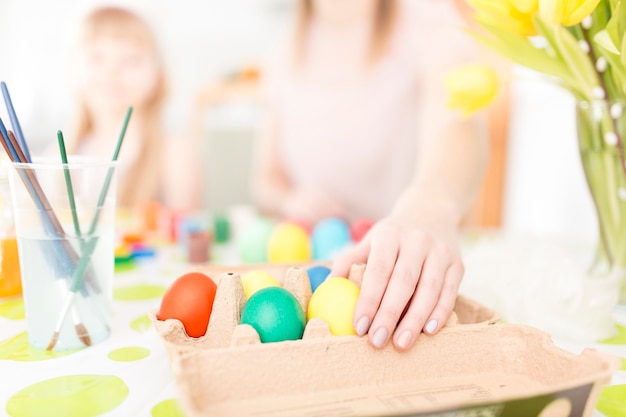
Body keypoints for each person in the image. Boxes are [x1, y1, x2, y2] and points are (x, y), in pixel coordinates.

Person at [252, 0, 488, 350]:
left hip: (398, 268)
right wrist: (291, 198)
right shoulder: (284, 48)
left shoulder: (424, 17)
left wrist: (430, 204)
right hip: (314, 263)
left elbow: (459, 118)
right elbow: (264, 179)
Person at [67, 6, 202, 211]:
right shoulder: (61, 156)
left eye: (130, 60)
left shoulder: (174, 152)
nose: (112, 70)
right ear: (74, 69)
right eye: (97, 57)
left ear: (158, 76)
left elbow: (185, 231)